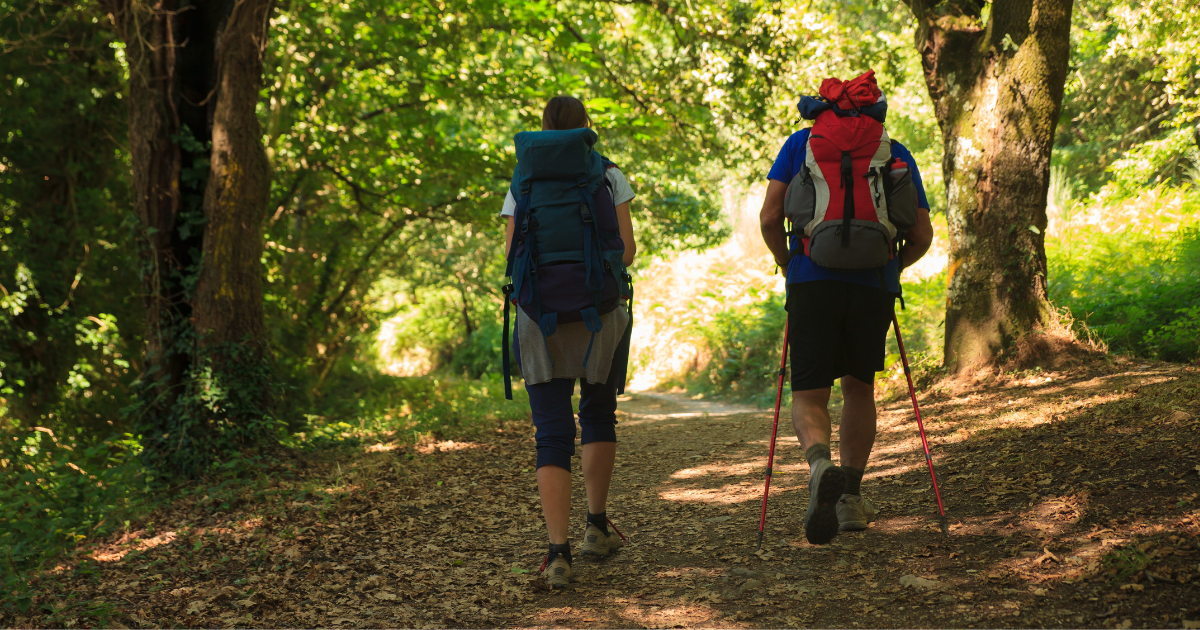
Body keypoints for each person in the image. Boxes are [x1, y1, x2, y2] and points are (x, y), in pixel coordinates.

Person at [758, 71, 934, 545]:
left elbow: (771, 217)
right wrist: (893, 264)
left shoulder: (800, 144)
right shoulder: (894, 151)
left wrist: (787, 259)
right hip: (872, 283)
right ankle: (850, 498)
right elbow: (921, 234)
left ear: (824, 110)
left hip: (812, 278)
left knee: (809, 391)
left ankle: (820, 466)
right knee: (860, 389)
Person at [500, 96, 637, 587]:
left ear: (542, 129)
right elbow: (627, 249)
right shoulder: (606, 172)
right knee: (598, 413)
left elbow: (514, 253)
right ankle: (596, 528)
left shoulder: (523, 179)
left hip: (540, 318)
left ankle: (558, 555)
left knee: (551, 432)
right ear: (585, 128)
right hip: (600, 312)